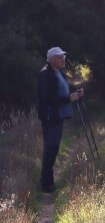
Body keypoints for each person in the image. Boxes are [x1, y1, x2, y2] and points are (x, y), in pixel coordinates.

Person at [37, 47, 83, 193]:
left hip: (58, 117)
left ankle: (49, 182)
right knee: (51, 148)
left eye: (63, 57)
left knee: (54, 148)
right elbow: (47, 98)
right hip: (51, 117)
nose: (63, 59)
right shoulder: (46, 74)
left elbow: (62, 91)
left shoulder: (59, 73)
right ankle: (46, 184)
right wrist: (68, 98)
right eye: (59, 57)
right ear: (51, 60)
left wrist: (75, 94)